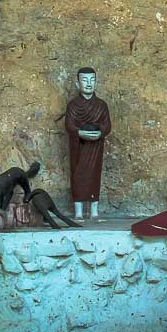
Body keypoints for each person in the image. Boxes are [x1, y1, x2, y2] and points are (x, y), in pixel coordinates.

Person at [64, 67, 111, 221]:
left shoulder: (101, 105)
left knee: (94, 176)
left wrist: (100, 133)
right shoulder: (72, 105)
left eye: (92, 80)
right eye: (84, 80)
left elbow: (107, 125)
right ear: (78, 84)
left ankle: (94, 211)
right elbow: (69, 125)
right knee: (78, 175)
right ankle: (78, 211)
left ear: (96, 82)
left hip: (95, 147)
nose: (89, 83)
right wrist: (79, 132)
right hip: (78, 147)